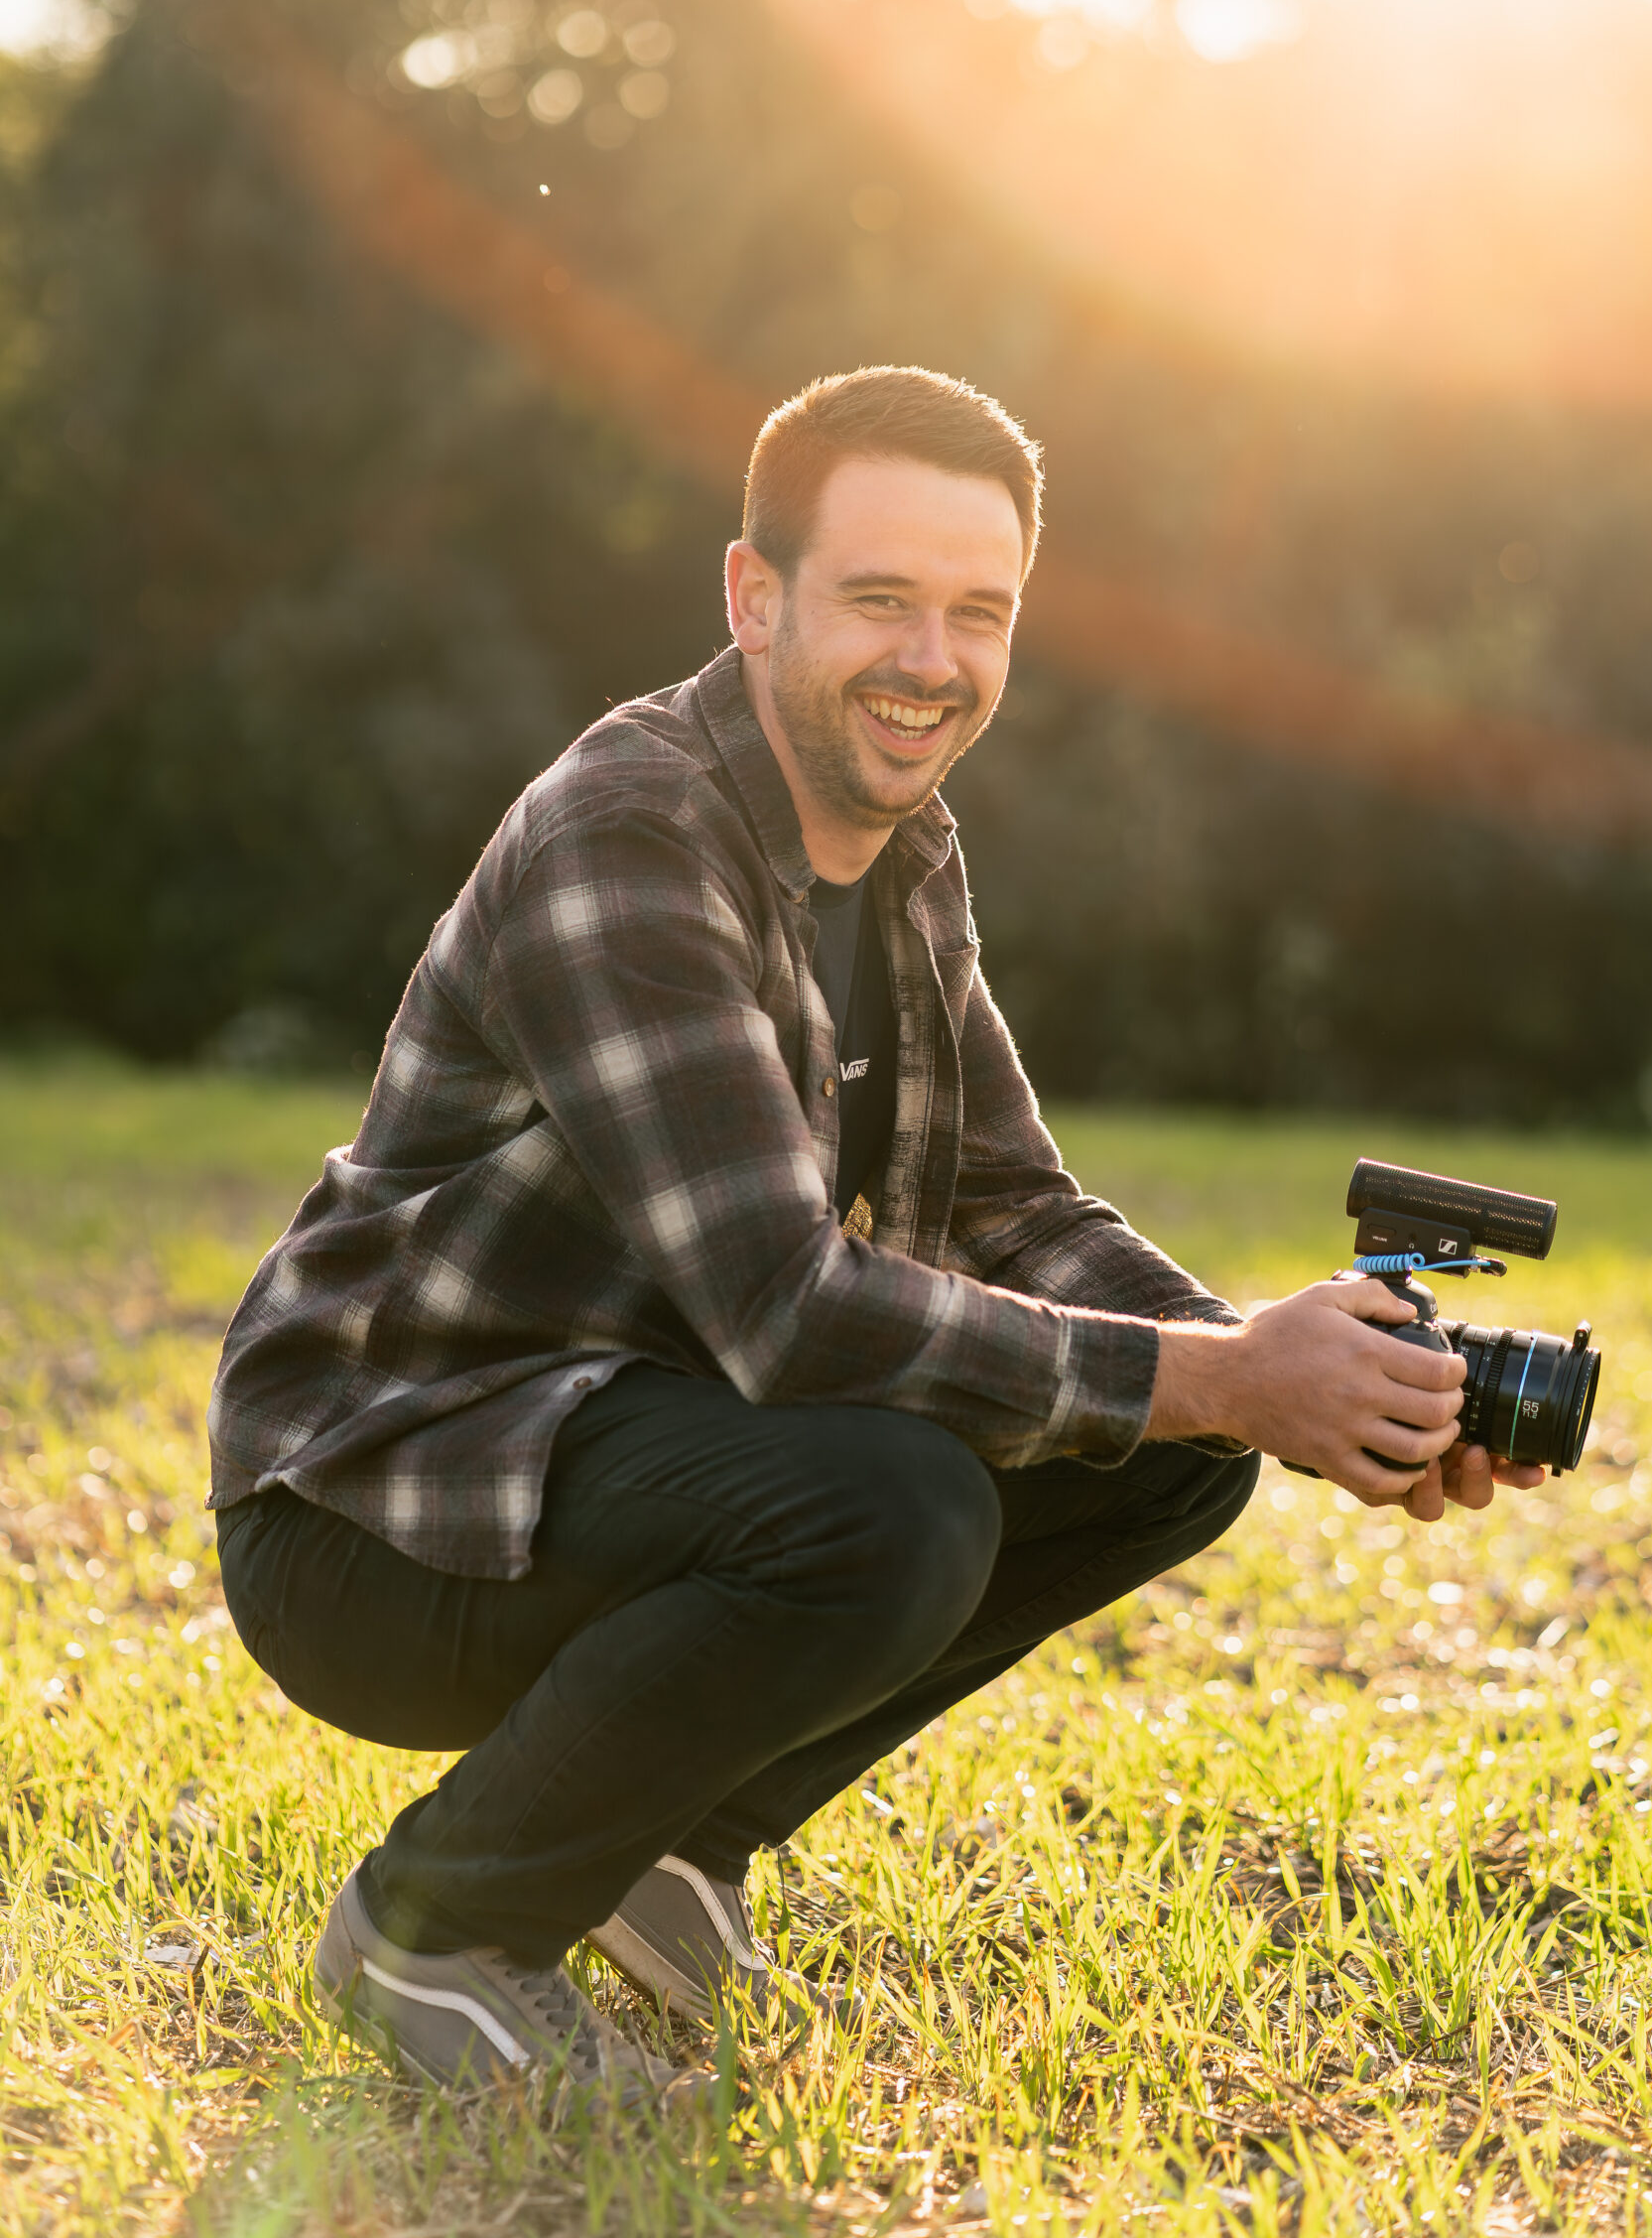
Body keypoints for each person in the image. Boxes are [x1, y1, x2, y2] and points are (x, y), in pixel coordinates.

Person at [209, 366, 1539, 2102]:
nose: (934, 659)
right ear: (755, 600)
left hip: (621, 1442)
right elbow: (786, 1309)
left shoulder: (902, 852)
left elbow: (1011, 1202)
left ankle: (668, 1858)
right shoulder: (629, 834)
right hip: (383, 1501)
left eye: (978, 613)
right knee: (895, 1502)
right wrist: (1222, 1375)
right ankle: (439, 1927)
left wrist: (1309, 1377)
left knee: (1165, 1456)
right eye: (882, 599)